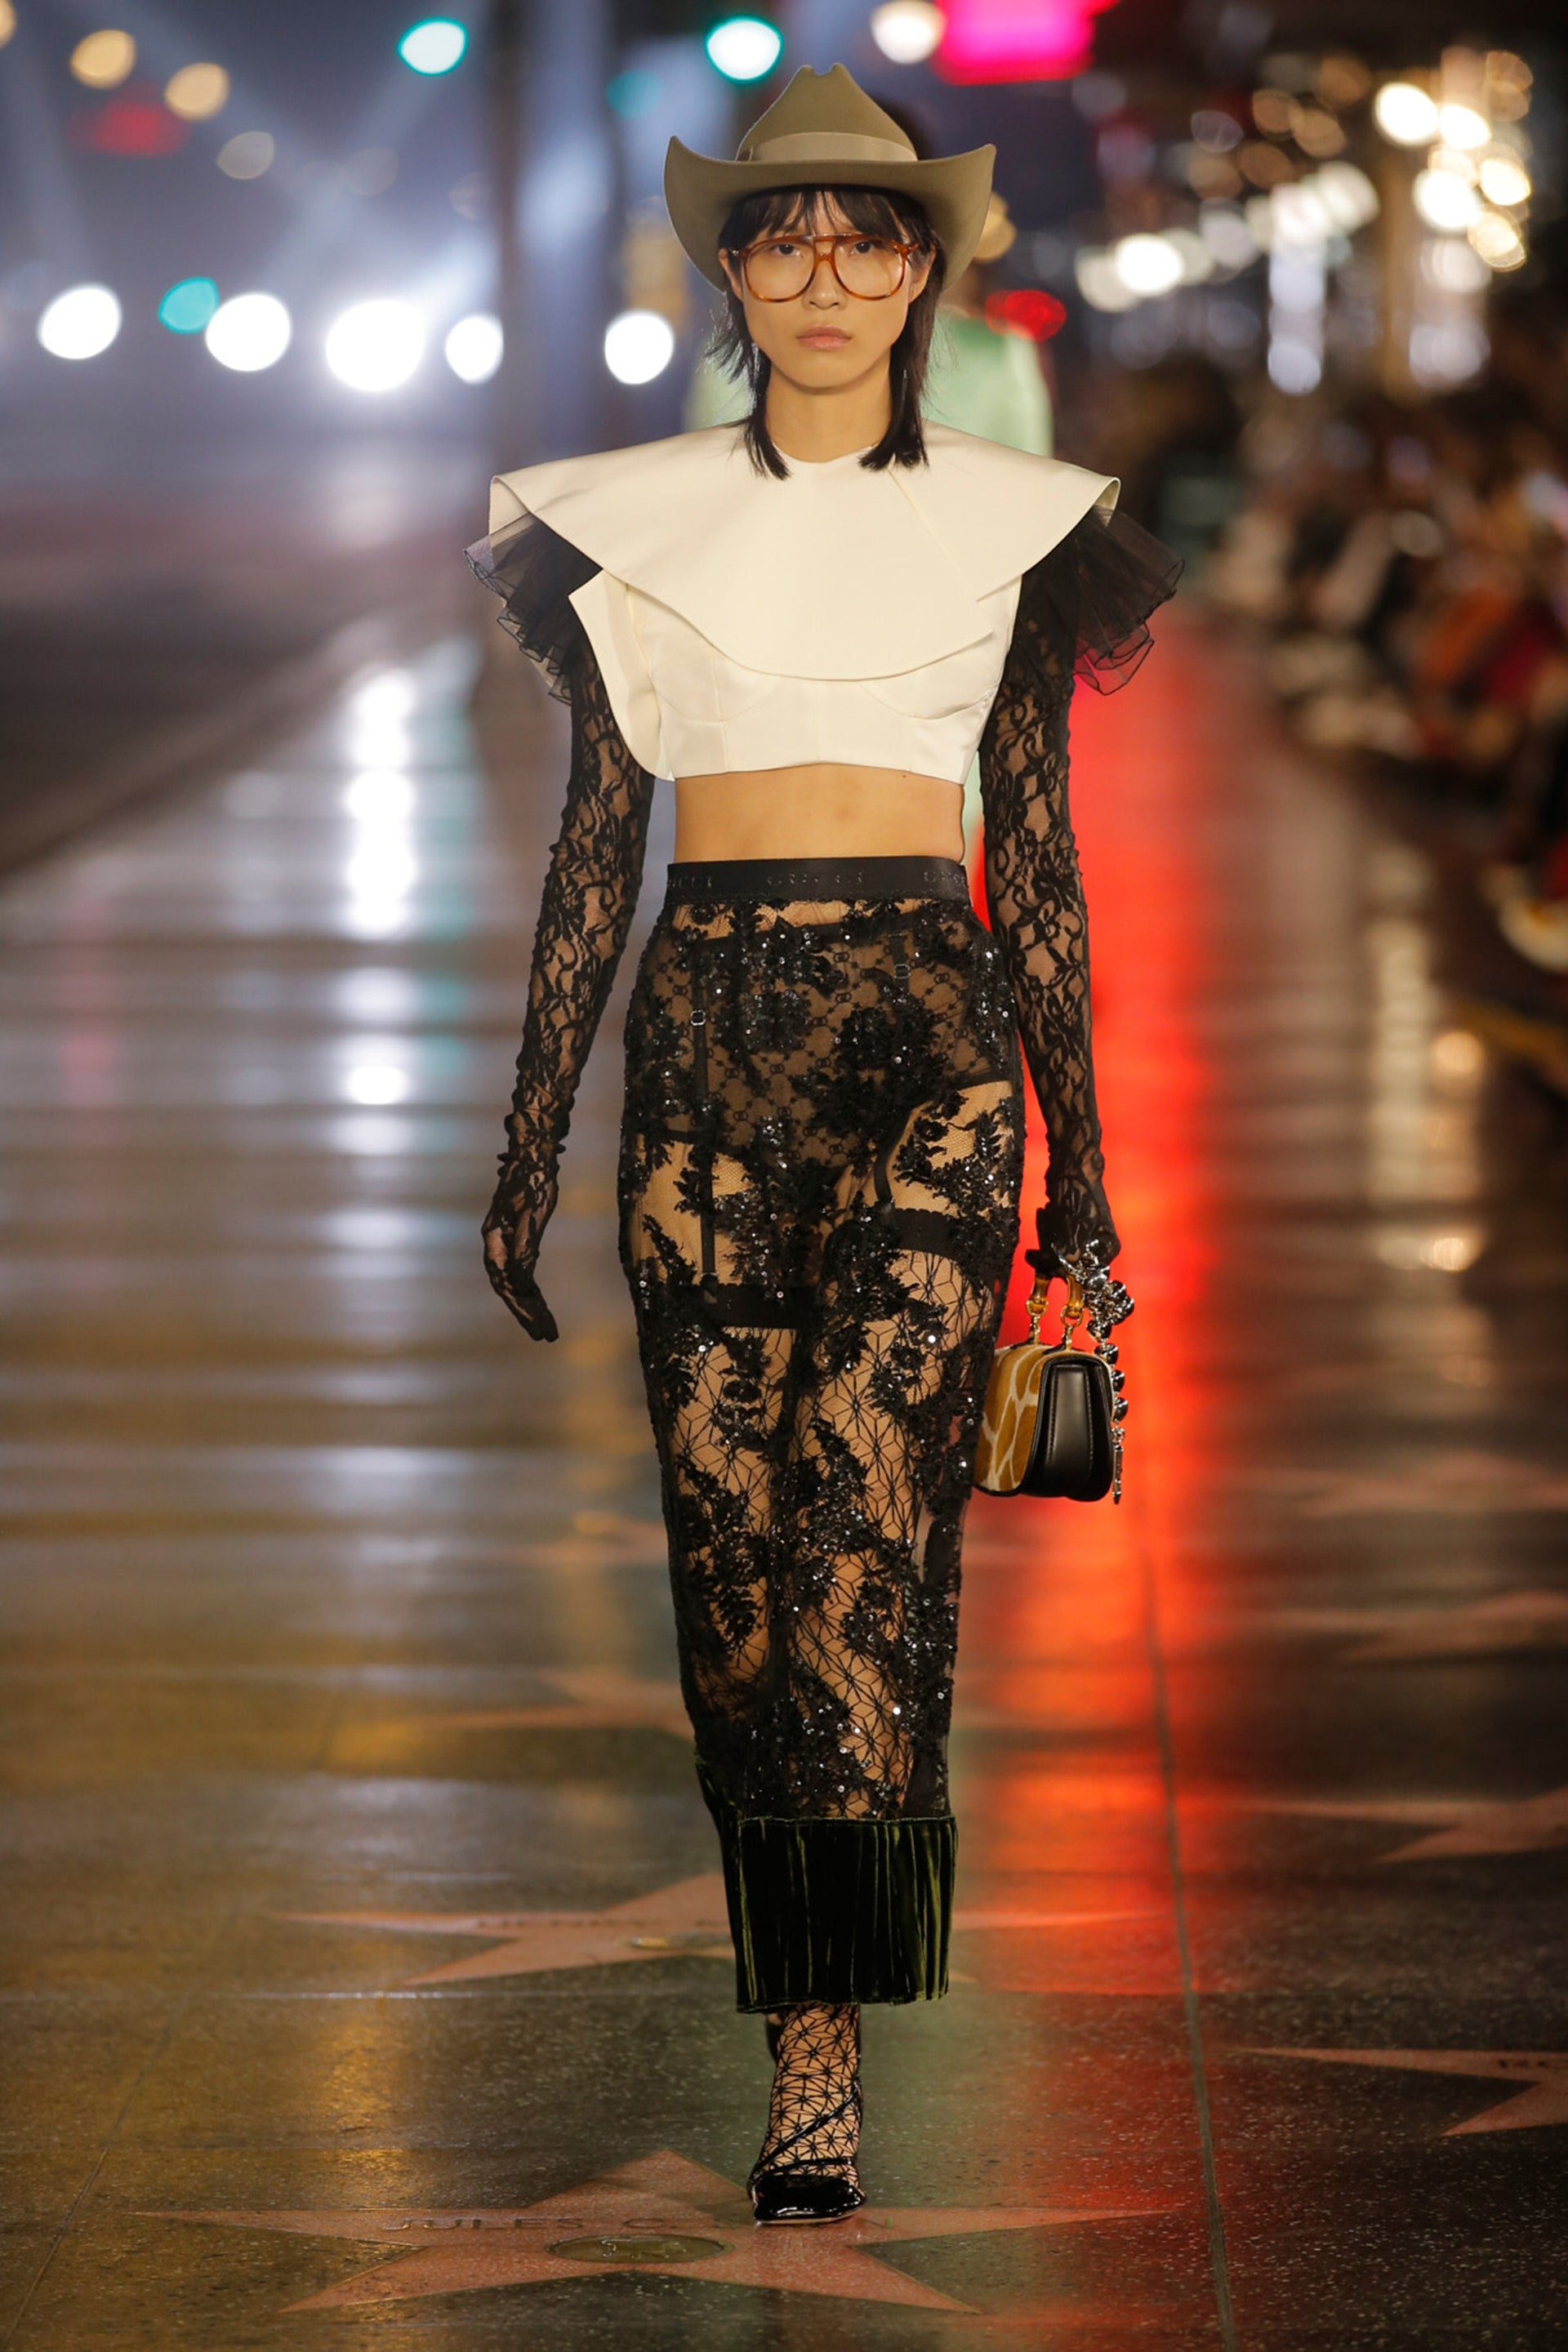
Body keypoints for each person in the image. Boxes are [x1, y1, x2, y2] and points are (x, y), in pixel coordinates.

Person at [468, 64, 1176, 2227]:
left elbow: (1038, 870)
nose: (827, 277)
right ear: (734, 276)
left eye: (869, 241)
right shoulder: (626, 525)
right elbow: (596, 851)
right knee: (734, 1586)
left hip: (930, 1048)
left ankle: (823, 2063)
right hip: (707, 1047)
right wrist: (529, 1137)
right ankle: (802, 1986)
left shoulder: (1019, 524)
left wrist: (1084, 1172)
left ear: (925, 276)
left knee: (872, 1542)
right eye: (784, 240)